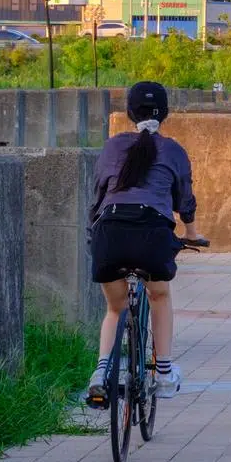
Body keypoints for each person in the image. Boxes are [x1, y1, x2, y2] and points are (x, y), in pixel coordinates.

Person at [87, 81, 204, 402]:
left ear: (128, 113)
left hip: (109, 232)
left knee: (115, 308)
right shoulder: (174, 150)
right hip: (153, 233)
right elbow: (185, 201)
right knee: (159, 296)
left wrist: (92, 235)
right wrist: (191, 235)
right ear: (165, 114)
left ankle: (101, 372)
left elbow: (97, 197)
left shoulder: (112, 147)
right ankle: (163, 373)